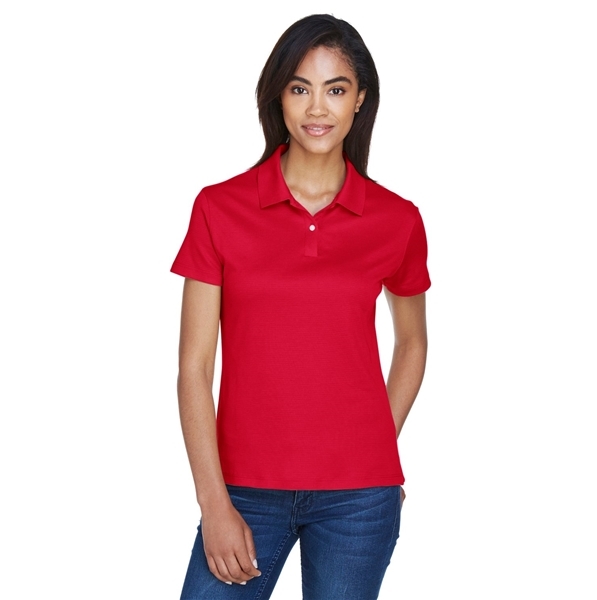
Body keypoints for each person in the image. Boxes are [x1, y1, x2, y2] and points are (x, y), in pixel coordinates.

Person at [171, 13, 430, 600]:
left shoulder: (397, 219)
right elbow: (193, 367)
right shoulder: (219, 208)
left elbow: (412, 342)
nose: (318, 108)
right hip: (243, 489)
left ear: (360, 99)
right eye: (299, 88)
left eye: (335, 89)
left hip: (359, 501)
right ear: (278, 97)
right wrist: (213, 503)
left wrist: (377, 448)